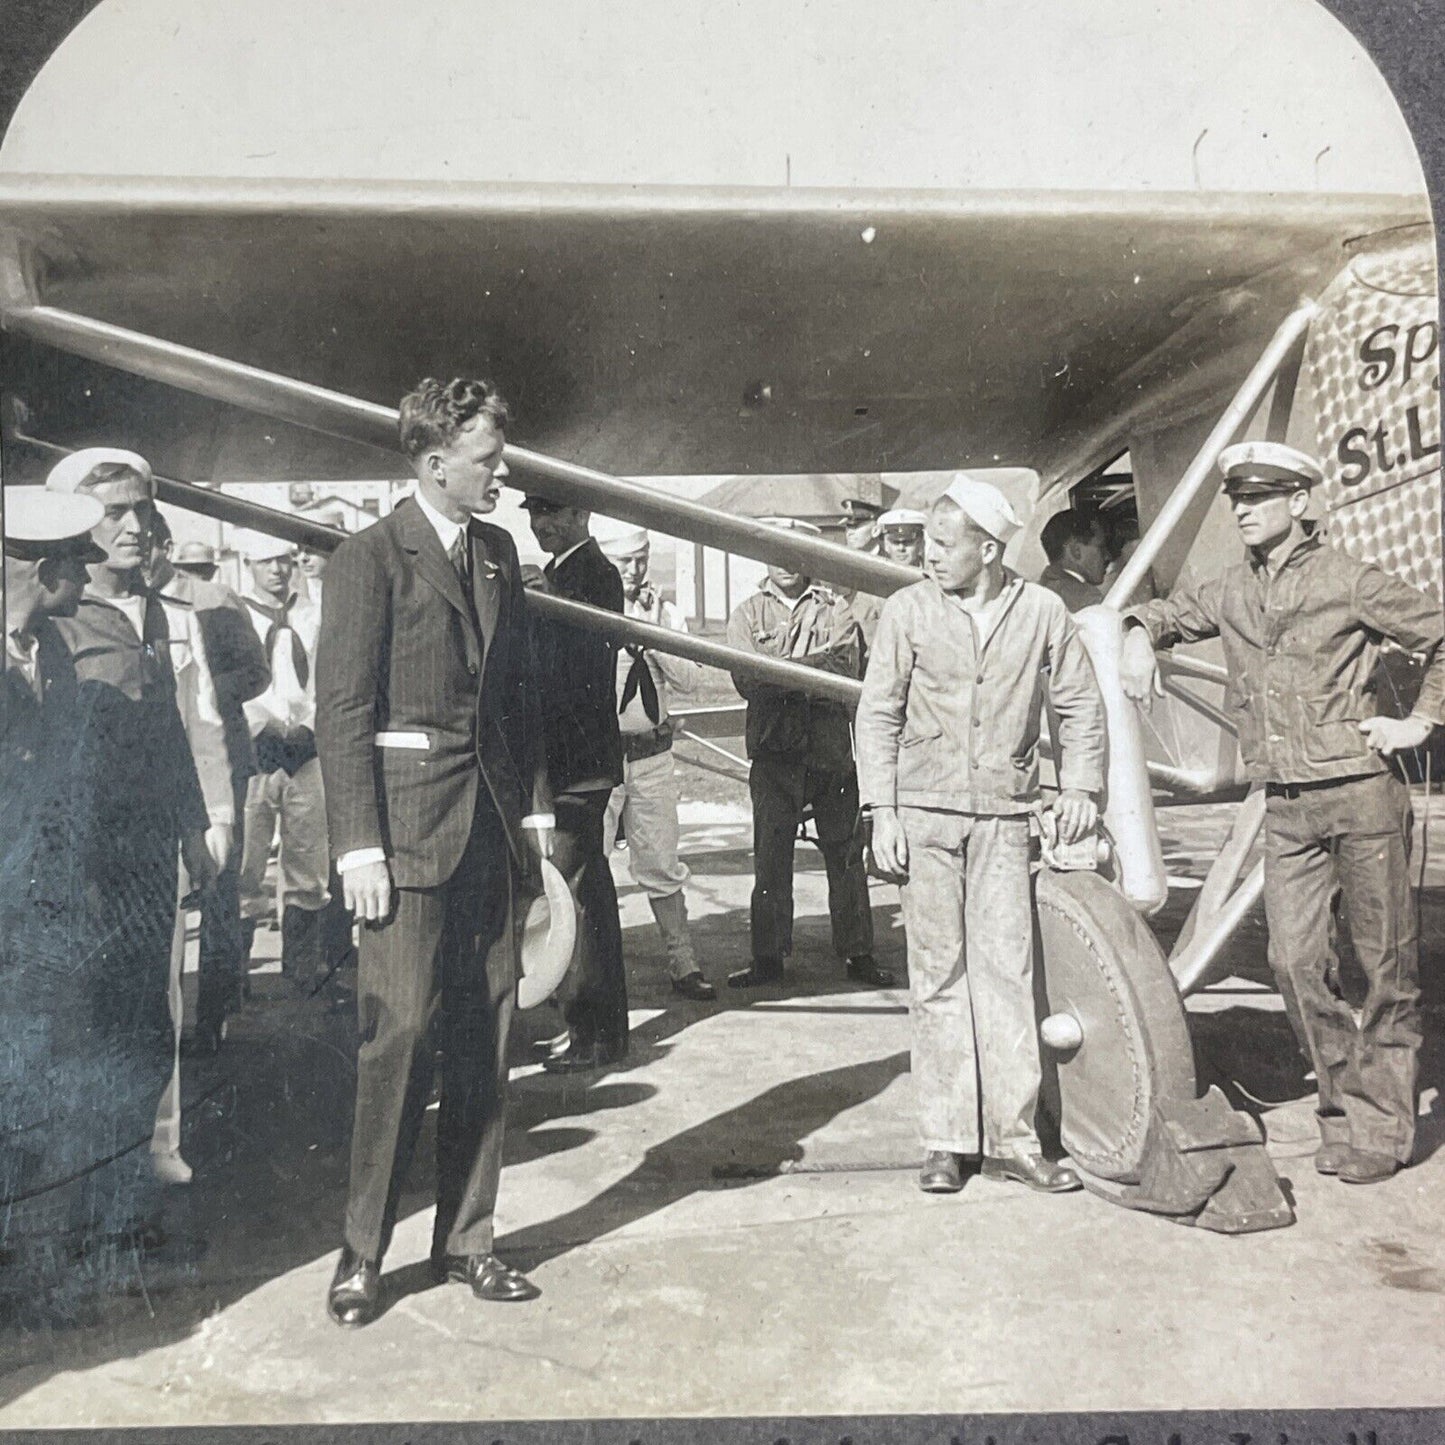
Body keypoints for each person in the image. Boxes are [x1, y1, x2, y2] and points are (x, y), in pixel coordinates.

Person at [1120, 440, 1444, 1186]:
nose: (1241, 510)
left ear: (1300, 504)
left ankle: (1379, 1127)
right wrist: (1138, 634)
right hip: (1286, 803)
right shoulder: (1231, 588)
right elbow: (1166, 611)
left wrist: (1417, 723)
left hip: (1360, 790)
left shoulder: (1348, 580)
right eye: (1236, 498)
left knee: (1383, 965)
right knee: (1291, 962)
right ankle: (1342, 1107)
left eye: (1258, 498)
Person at [315, 376, 551, 1326]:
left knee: (484, 1042)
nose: (502, 471)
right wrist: (356, 849)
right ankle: (362, 1252)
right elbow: (342, 714)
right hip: (404, 842)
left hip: (491, 836)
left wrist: (535, 826)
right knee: (398, 1038)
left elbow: (518, 703)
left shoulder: (497, 553)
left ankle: (469, 1240)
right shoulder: (368, 559)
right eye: (488, 458)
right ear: (433, 461)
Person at [856, 475, 1106, 1196]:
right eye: (928, 543)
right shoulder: (906, 610)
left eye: (942, 543)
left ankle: (1015, 1139)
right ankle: (944, 1139)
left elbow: (1079, 707)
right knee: (937, 979)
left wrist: (1081, 788)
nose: (929, 555)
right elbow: (877, 714)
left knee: (1005, 975)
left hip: (1003, 819)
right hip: (926, 818)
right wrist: (882, 810)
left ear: (989, 549)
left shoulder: (1042, 612)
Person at [40, 449, 217, 1252]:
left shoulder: (146, 611)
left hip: (149, 863)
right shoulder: (50, 622)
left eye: (142, 509)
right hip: (84, 867)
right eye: (115, 511)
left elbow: (169, 733)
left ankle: (118, 1199)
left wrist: (192, 828)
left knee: (145, 1026)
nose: (136, 526)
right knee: (86, 1035)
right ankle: (73, 1220)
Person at [0, 488, 108, 1255]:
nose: (90, 585)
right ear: (44, 568)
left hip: (38, 900)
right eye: (78, 568)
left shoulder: (49, 651)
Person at [725, 518, 890, 990]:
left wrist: (779, 671)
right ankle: (768, 958)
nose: (786, 564)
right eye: (776, 553)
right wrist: (808, 674)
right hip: (774, 756)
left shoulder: (837, 611)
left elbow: (844, 669)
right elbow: (745, 678)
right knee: (770, 860)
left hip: (830, 754)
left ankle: (859, 954)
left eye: (796, 553)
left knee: (846, 856)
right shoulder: (747, 614)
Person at [146, 513, 270, 1054]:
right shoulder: (115, 602)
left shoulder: (214, 601)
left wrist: (203, 684)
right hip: (157, 765)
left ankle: (214, 1013)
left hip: (217, 758)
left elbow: (257, 672)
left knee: (217, 887)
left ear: (164, 547)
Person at [521, 494, 629, 1071]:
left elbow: (580, 660)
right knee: (578, 894)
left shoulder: (595, 574)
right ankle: (588, 1025)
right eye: (534, 516)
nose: (540, 525)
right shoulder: (562, 573)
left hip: (576, 766)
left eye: (552, 514)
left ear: (583, 516)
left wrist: (542, 602)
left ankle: (594, 1031)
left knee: (577, 899)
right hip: (568, 765)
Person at [142, 515, 235, 1186]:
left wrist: (216, 817)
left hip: (161, 829)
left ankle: (159, 1141)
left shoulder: (176, 619)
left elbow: (203, 724)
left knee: (164, 988)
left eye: (149, 532)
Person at [595, 523, 714, 1001]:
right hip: (600, 758)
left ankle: (682, 960)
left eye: (641, 559)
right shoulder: (587, 608)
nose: (635, 570)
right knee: (591, 862)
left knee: (662, 862)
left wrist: (655, 630)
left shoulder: (665, 612)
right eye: (624, 561)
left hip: (651, 757)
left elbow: (690, 681)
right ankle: (592, 971)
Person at [236, 530, 334, 987]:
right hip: (256, 751)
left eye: (283, 561)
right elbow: (231, 682)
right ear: (248, 565)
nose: (276, 571)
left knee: (308, 863)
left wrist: (309, 728)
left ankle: (301, 973)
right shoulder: (236, 615)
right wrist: (263, 725)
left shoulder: (314, 613)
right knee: (247, 865)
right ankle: (233, 978)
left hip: (306, 751)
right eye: (265, 562)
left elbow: (327, 678)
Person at [1037, 508, 1110, 611]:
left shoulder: (1043, 588)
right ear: (1076, 551)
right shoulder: (1087, 599)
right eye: (1100, 548)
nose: (1107, 556)